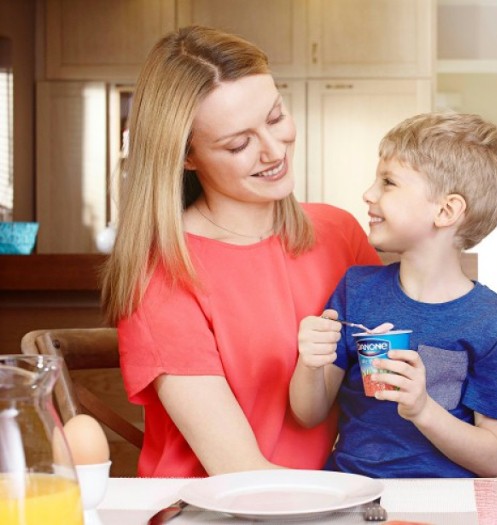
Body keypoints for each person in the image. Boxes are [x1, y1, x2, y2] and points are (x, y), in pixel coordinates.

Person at [101, 25, 380, 478]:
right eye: (238, 143)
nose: (273, 151)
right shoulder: (164, 274)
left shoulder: (339, 233)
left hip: (326, 501)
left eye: (274, 118)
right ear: (186, 156)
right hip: (212, 511)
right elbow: (242, 475)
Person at [289, 112, 497, 478]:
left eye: (389, 182)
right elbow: (309, 413)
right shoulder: (356, 290)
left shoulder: (494, 324)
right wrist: (309, 362)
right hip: (354, 489)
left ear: (446, 210)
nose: (368, 194)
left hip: (448, 499)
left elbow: (493, 458)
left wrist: (423, 409)